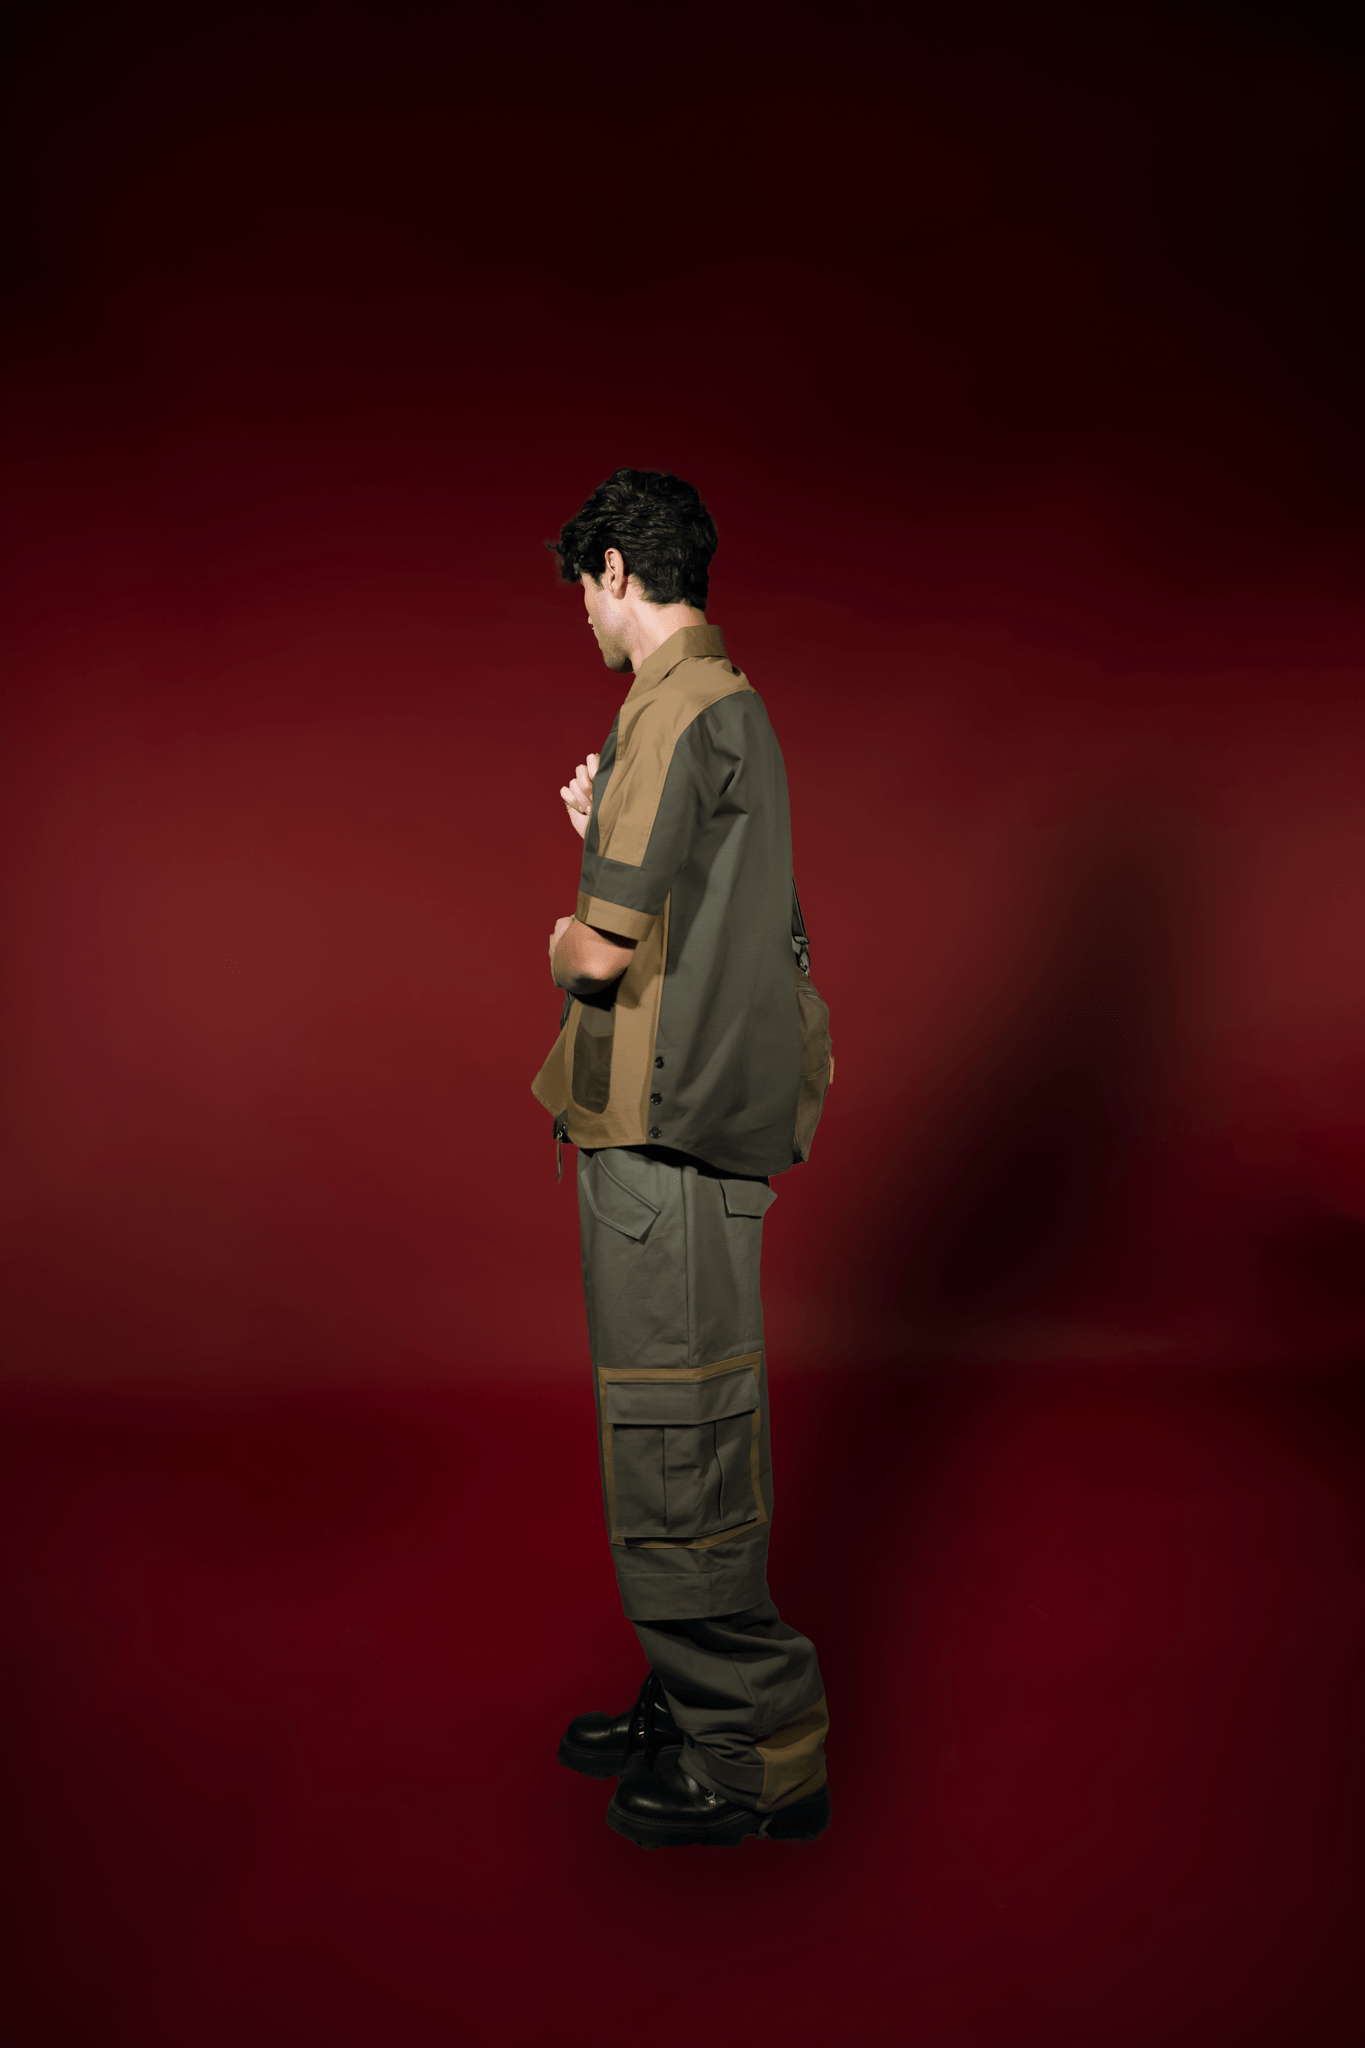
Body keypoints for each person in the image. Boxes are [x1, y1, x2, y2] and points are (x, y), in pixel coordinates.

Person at [533, 467, 832, 1849]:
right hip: (682, 1136)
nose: (586, 619)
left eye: (584, 592)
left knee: (678, 1448)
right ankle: (695, 1692)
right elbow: (708, 915)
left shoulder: (671, 709)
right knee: (677, 1437)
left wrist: (560, 933)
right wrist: (604, 832)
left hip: (669, 1152)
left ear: (614, 569)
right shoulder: (726, 704)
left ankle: (752, 1748)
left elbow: (597, 956)